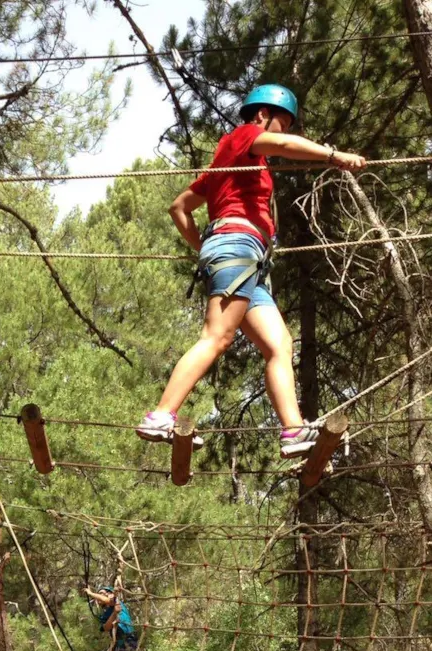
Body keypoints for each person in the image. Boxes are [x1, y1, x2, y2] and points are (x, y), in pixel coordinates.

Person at [137, 84, 366, 460]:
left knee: (279, 346)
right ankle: (160, 415)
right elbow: (283, 147)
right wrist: (333, 155)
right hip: (238, 248)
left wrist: (205, 248)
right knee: (217, 337)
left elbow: (179, 207)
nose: (284, 132)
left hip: (247, 259)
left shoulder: (228, 166)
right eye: (282, 123)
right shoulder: (244, 136)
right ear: (261, 115)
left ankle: (293, 430)